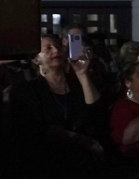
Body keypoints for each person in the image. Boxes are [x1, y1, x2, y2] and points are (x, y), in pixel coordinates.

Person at [9, 35, 108, 176]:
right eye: (48, 48)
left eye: (58, 46)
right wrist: (80, 139)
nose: (56, 50)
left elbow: (97, 113)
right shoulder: (27, 90)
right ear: (36, 59)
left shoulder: (77, 84)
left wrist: (82, 74)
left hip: (83, 162)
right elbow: (36, 129)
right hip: (47, 163)